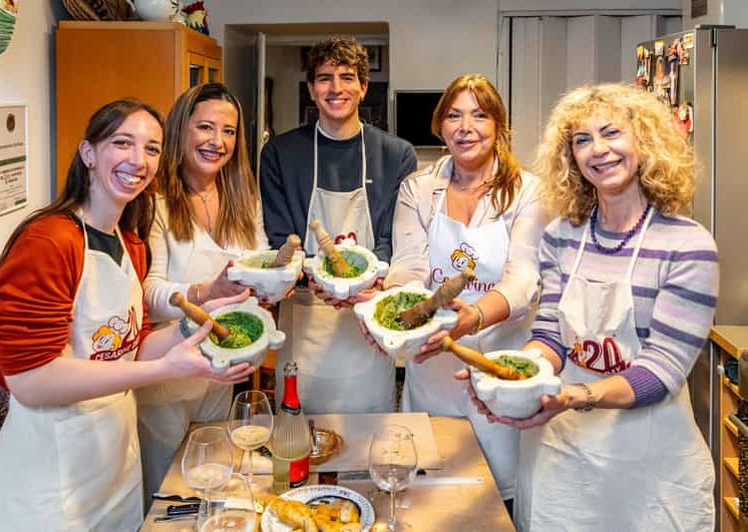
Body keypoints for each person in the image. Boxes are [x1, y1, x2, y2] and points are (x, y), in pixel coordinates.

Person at [0, 99, 254, 531]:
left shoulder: (129, 242)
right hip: (50, 485)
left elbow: (133, 346)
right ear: (89, 153)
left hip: (113, 470)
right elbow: (29, 381)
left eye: (151, 148)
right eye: (122, 143)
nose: (137, 160)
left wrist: (195, 321)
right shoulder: (50, 241)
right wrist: (164, 368)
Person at [459, 83, 718, 530]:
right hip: (565, 467)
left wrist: (575, 395)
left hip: (652, 476)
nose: (599, 150)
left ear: (644, 142)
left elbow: (662, 371)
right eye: (582, 140)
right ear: (571, 158)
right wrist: (512, 371)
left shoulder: (688, 245)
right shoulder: (562, 236)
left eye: (611, 133)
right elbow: (552, 340)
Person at [367, 74, 549, 506]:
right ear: (440, 125)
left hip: (500, 362)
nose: (465, 127)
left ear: (498, 126)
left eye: (479, 115)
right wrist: (401, 316)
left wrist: (472, 317)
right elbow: (409, 264)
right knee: (431, 493)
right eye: (454, 115)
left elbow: (523, 277)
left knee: (495, 499)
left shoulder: (529, 191)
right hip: (431, 363)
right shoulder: (419, 189)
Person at [260, 37, 417, 413]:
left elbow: (394, 239)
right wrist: (318, 276)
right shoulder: (280, 153)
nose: (336, 88)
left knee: (367, 439)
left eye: (347, 77)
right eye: (324, 78)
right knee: (299, 433)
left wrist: (360, 281)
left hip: (368, 312)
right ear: (312, 89)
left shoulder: (396, 154)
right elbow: (281, 237)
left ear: (363, 87)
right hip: (305, 311)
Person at [138, 83, 269, 499]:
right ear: (181, 130)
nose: (218, 142)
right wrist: (205, 291)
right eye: (206, 128)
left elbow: (261, 263)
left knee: (214, 488)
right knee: (169, 496)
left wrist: (274, 282)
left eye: (229, 131)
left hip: (222, 373)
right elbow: (150, 293)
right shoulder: (154, 201)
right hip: (168, 375)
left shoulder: (243, 197)